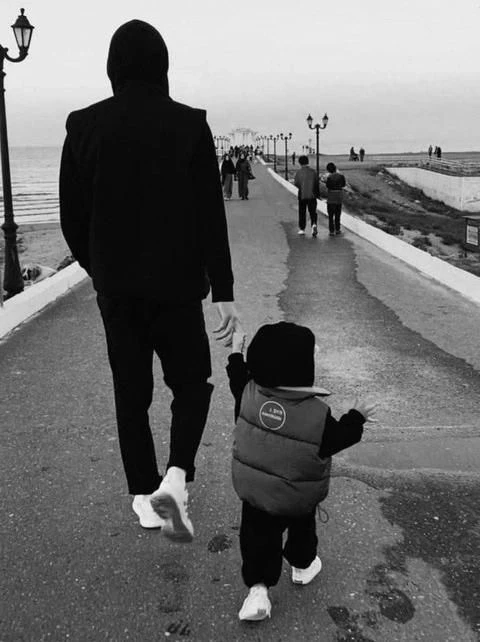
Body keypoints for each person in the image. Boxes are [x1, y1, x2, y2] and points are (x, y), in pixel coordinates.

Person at [59, 19, 241, 543]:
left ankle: (143, 495)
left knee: (130, 391)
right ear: (162, 65)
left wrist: (100, 269)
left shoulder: (83, 126)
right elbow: (210, 215)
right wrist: (223, 290)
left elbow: (72, 217)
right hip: (178, 287)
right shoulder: (189, 125)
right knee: (192, 384)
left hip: (117, 290)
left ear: (113, 67)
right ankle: (177, 476)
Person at [226, 322, 377, 621]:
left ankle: (258, 591)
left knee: (257, 539)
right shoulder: (316, 414)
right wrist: (357, 416)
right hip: (297, 495)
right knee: (302, 530)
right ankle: (302, 566)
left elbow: (236, 374)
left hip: (255, 493)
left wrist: (235, 351)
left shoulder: (247, 392)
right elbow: (340, 438)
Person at [293, 155, 320, 237]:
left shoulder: (299, 172)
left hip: (302, 194)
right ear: (307, 162)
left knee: (302, 211)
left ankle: (302, 229)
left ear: (300, 163)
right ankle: (314, 224)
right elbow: (316, 182)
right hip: (312, 195)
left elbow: (296, 183)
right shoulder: (313, 172)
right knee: (313, 212)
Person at [325, 162, 346, 236]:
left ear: (328, 170)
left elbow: (328, 186)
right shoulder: (341, 176)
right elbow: (343, 184)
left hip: (331, 197)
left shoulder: (329, 177)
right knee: (338, 214)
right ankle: (337, 229)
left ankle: (331, 231)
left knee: (331, 215)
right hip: (339, 197)